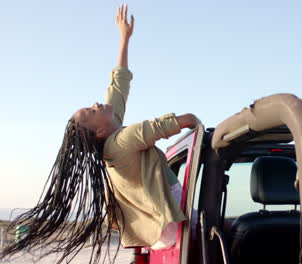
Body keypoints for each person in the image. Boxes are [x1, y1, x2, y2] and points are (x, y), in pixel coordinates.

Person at [1, 4, 198, 263]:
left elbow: (118, 86)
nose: (96, 103)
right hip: (168, 219)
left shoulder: (111, 139)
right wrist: (195, 123)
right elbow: (173, 123)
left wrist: (124, 38)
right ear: (100, 129)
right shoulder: (123, 142)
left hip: (163, 227)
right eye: (91, 111)